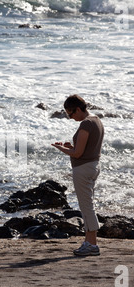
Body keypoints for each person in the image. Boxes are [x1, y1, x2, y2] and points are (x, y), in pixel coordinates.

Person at [51, 94, 104, 256]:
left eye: (71, 113)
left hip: (83, 168)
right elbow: (85, 148)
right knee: (88, 205)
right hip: (93, 165)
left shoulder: (86, 124)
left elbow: (77, 153)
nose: (70, 117)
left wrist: (61, 148)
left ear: (79, 109)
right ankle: (89, 242)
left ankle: (92, 244)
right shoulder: (96, 120)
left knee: (86, 206)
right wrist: (71, 147)